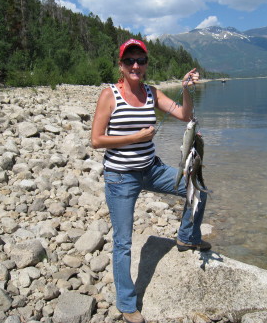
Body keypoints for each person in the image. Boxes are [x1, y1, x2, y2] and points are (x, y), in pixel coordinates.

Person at [91, 38, 210, 323]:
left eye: (141, 61)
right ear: (121, 65)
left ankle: (187, 237)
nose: (135, 65)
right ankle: (127, 303)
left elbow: (185, 116)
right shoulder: (109, 95)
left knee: (197, 190)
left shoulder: (151, 93)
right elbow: (96, 140)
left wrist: (185, 89)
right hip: (120, 178)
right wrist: (136, 137)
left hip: (151, 169)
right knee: (122, 242)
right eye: (130, 60)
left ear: (145, 66)